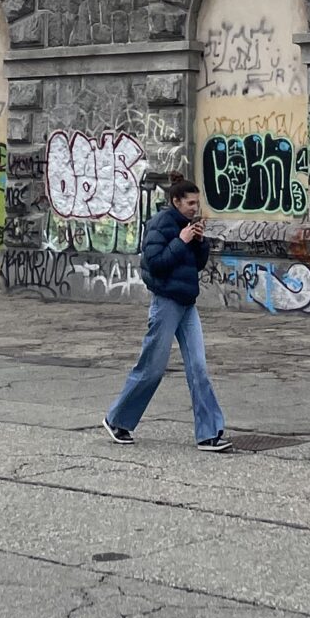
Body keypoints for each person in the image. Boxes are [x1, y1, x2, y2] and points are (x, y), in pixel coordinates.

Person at [102, 176, 230, 452]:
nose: (196, 208)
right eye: (190, 203)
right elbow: (155, 264)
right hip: (166, 304)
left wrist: (198, 242)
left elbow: (196, 265)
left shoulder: (188, 226)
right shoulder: (160, 224)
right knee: (152, 368)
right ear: (176, 202)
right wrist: (181, 241)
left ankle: (209, 433)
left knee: (199, 367)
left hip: (187, 304)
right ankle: (117, 420)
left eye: (198, 203)